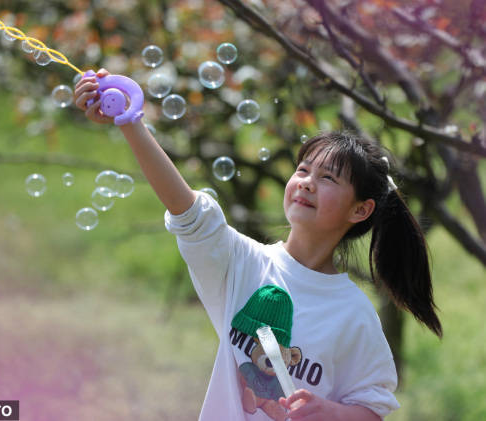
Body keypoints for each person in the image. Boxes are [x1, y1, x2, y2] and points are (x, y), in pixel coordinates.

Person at [74, 69, 442, 421]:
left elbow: (370, 410)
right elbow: (188, 211)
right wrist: (131, 122)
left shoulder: (355, 316)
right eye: (302, 170)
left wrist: (332, 413)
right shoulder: (243, 265)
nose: (307, 183)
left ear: (361, 210)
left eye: (327, 178)